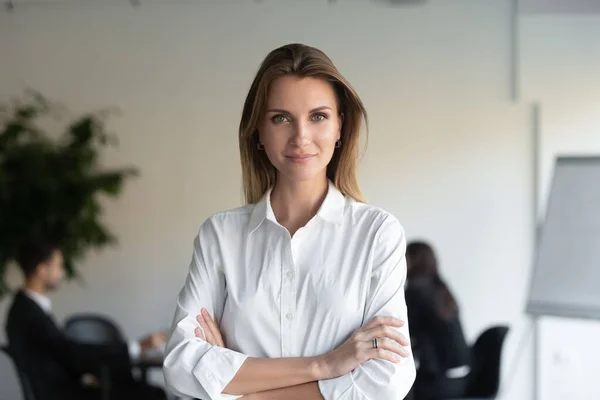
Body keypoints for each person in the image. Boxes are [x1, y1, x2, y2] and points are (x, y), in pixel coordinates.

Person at [163, 43, 416, 400]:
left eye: (318, 116)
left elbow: (387, 379)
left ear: (340, 127)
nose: (300, 137)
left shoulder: (377, 234)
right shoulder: (220, 236)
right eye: (281, 118)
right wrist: (325, 365)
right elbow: (180, 366)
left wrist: (240, 390)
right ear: (259, 134)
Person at [4, 239, 167, 400]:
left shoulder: (24, 309)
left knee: (137, 388)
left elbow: (59, 355)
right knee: (151, 394)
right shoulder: (29, 314)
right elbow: (71, 353)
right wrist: (136, 347)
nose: (62, 273)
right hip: (61, 394)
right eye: (59, 266)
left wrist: (87, 374)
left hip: (64, 388)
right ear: (42, 270)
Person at [404, 241, 471, 400]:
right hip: (461, 379)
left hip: (437, 382)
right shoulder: (442, 288)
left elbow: (402, 330)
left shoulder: (416, 292)